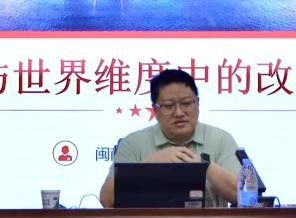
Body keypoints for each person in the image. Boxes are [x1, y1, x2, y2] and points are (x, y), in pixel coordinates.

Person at [99, 68, 241, 208]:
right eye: (168, 106)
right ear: (155, 110)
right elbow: (107, 200)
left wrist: (203, 165)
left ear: (197, 103)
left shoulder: (220, 139)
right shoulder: (133, 143)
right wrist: (146, 167)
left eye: (186, 103)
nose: (179, 113)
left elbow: (243, 195)